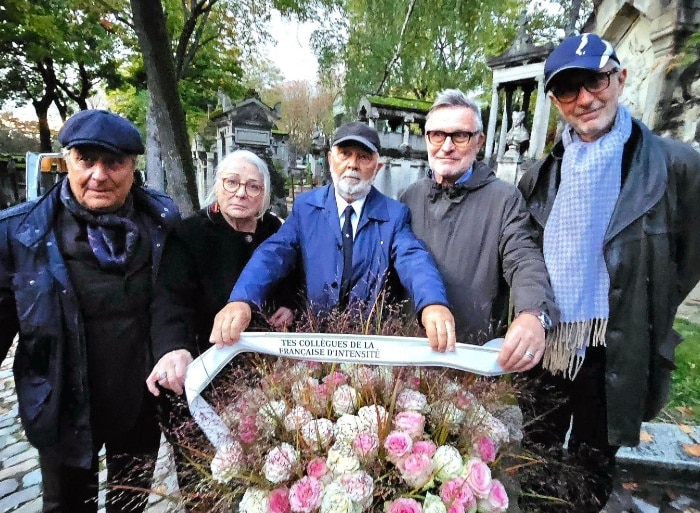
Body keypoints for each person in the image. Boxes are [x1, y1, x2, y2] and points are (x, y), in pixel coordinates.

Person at [517, 33, 700, 511]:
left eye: (595, 80)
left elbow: (688, 252)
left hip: (616, 338)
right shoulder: (540, 174)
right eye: (568, 90)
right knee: (536, 446)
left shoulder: (674, 165)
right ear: (556, 103)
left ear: (619, 78)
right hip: (548, 336)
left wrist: (647, 301)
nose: (585, 98)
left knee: (595, 458)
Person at [0, 109, 180, 513]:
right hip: (63, 403)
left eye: (114, 162)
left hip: (138, 405)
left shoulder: (161, 221)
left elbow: (175, 298)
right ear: (68, 162)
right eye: (86, 160)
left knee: (130, 505)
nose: (99, 175)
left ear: (133, 167)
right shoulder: (21, 233)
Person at [208, 121, 456, 352]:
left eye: (363, 157)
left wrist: (432, 303)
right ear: (330, 159)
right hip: (313, 345)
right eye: (345, 154)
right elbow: (274, 253)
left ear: (377, 167)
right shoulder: (306, 208)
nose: (352, 164)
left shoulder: (394, 215)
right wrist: (242, 299)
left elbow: (413, 259)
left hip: (370, 348)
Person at [399, 89, 558, 374]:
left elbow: (523, 258)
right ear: (426, 138)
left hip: (471, 357)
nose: (447, 146)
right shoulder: (409, 197)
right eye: (437, 135)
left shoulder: (504, 199)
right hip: (412, 353)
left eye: (460, 136)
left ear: (479, 141)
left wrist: (533, 313)